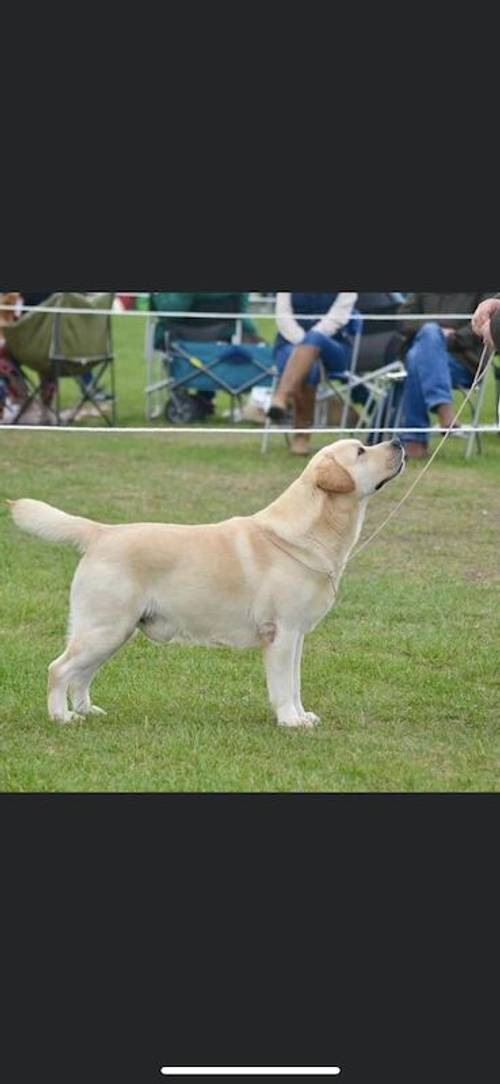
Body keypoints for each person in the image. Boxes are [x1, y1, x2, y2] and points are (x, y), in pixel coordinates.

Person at [397, 292, 494, 459]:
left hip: (464, 361)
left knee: (417, 358)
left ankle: (414, 441)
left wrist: (452, 337)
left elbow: (490, 324)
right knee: (427, 338)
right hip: (423, 354)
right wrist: (434, 333)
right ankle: (443, 408)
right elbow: (403, 319)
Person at [267, 291, 359, 455]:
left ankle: (281, 397)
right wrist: (304, 346)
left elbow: (336, 319)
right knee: (310, 367)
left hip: (333, 347)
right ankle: (301, 436)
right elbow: (283, 317)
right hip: (289, 343)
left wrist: (308, 341)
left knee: (315, 337)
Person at [151, 292, 263, 418]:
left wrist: (157, 297)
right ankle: (205, 397)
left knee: (177, 348)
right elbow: (241, 310)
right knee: (209, 354)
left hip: (183, 338)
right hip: (221, 337)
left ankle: (184, 394)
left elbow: (170, 312)